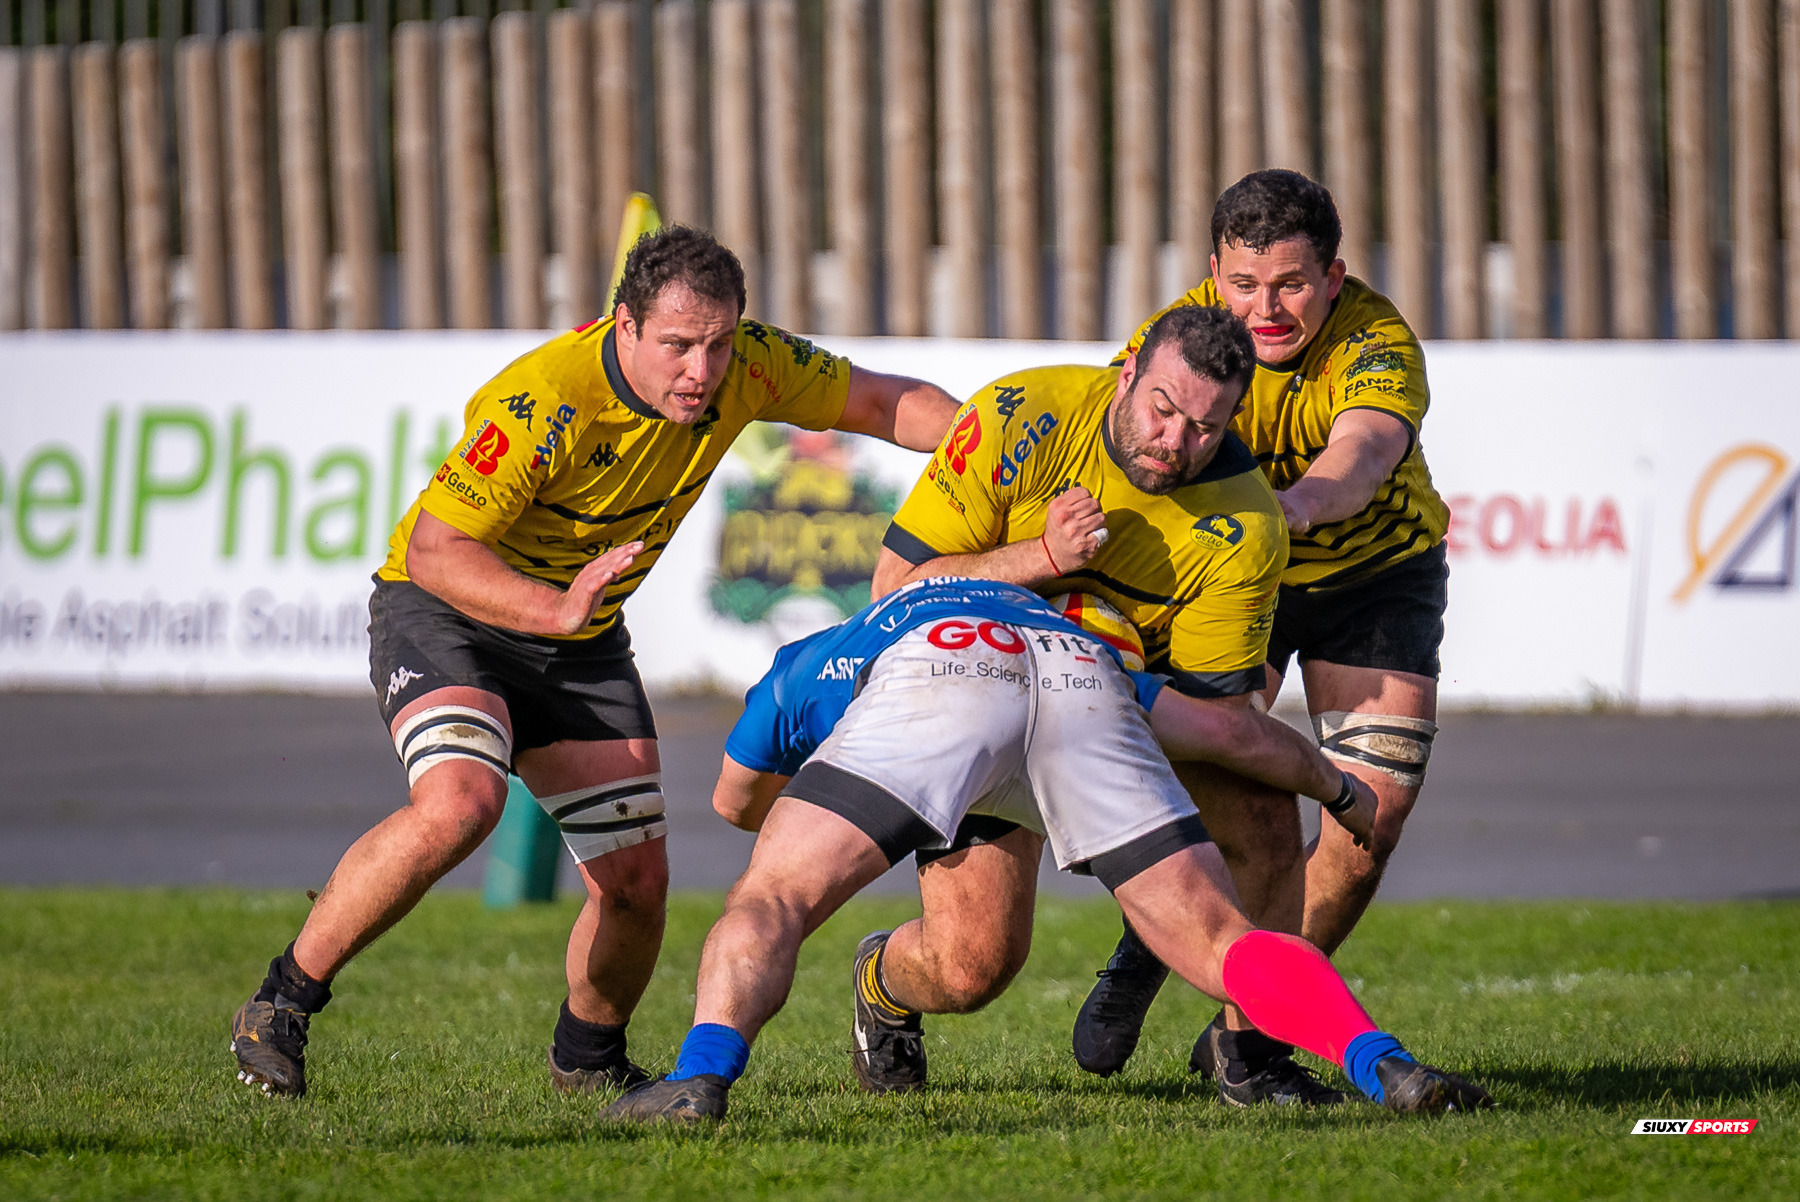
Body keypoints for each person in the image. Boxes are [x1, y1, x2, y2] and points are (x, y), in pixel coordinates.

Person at [227, 226, 959, 1099]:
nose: (703, 370)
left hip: (578, 635)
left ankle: (588, 1062)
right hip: (451, 615)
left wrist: (988, 448)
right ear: (624, 327)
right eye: (679, 345)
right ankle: (281, 1002)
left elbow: (883, 404)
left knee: (637, 882)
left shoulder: (753, 365)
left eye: (718, 344)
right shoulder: (542, 401)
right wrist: (556, 607)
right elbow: (435, 549)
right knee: (463, 804)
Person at [598, 577, 1490, 1124]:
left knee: (774, 900)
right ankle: (1382, 1063)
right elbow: (1232, 736)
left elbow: (736, 801)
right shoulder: (1072, 631)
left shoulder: (816, 656)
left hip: (931, 690)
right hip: (1075, 685)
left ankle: (699, 1078)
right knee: (1216, 942)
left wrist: (857, 824)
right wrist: (1337, 789)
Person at [870, 303, 1343, 1104]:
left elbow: (1217, 721)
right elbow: (892, 594)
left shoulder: (1247, 525)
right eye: (1163, 408)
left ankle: (1249, 1051)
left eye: (1205, 427)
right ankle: (881, 987)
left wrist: (1104, 701)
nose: (1176, 442)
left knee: (1264, 822)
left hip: (1129, 717)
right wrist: (1042, 558)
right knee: (970, 966)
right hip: (980, 696)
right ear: (1128, 373)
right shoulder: (1022, 418)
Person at [1073, 167, 1455, 1102]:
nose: (1264, 309)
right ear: (1213, 272)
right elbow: (1120, 442)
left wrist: (1288, 508)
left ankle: (1250, 1026)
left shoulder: (1378, 342)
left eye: (1290, 284)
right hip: (1234, 572)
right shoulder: (1183, 337)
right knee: (1227, 791)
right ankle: (1152, 945)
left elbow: (1360, 456)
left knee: (1372, 819)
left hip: (1375, 574)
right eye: (1243, 284)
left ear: (1332, 277)